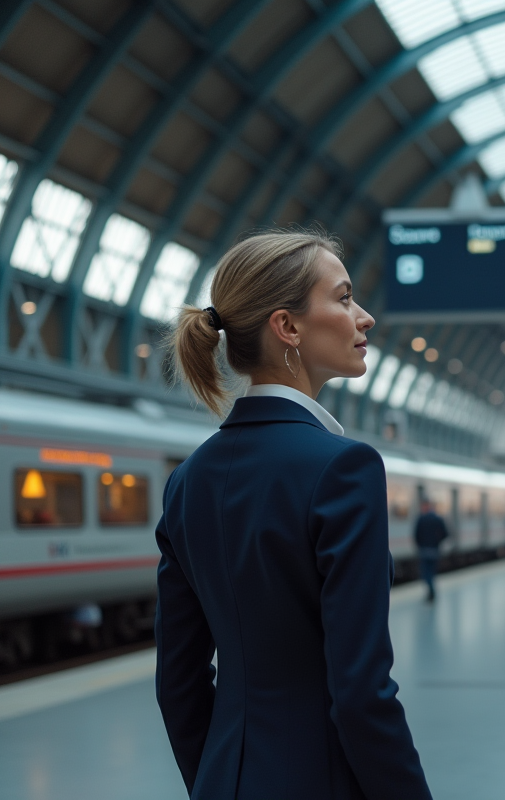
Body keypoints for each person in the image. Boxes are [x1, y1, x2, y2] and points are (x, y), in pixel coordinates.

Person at [157, 230, 432, 799]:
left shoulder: (187, 480)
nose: (365, 317)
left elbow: (178, 684)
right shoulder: (344, 469)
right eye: (344, 297)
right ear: (288, 327)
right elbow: (361, 693)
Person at [415, 499, 449, 603]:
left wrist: (420, 545)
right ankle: (431, 591)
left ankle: (431, 592)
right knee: (432, 572)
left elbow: (416, 535)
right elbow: (446, 533)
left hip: (424, 550)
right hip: (435, 550)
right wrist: (437, 542)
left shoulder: (421, 519)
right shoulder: (438, 519)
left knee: (426, 573)